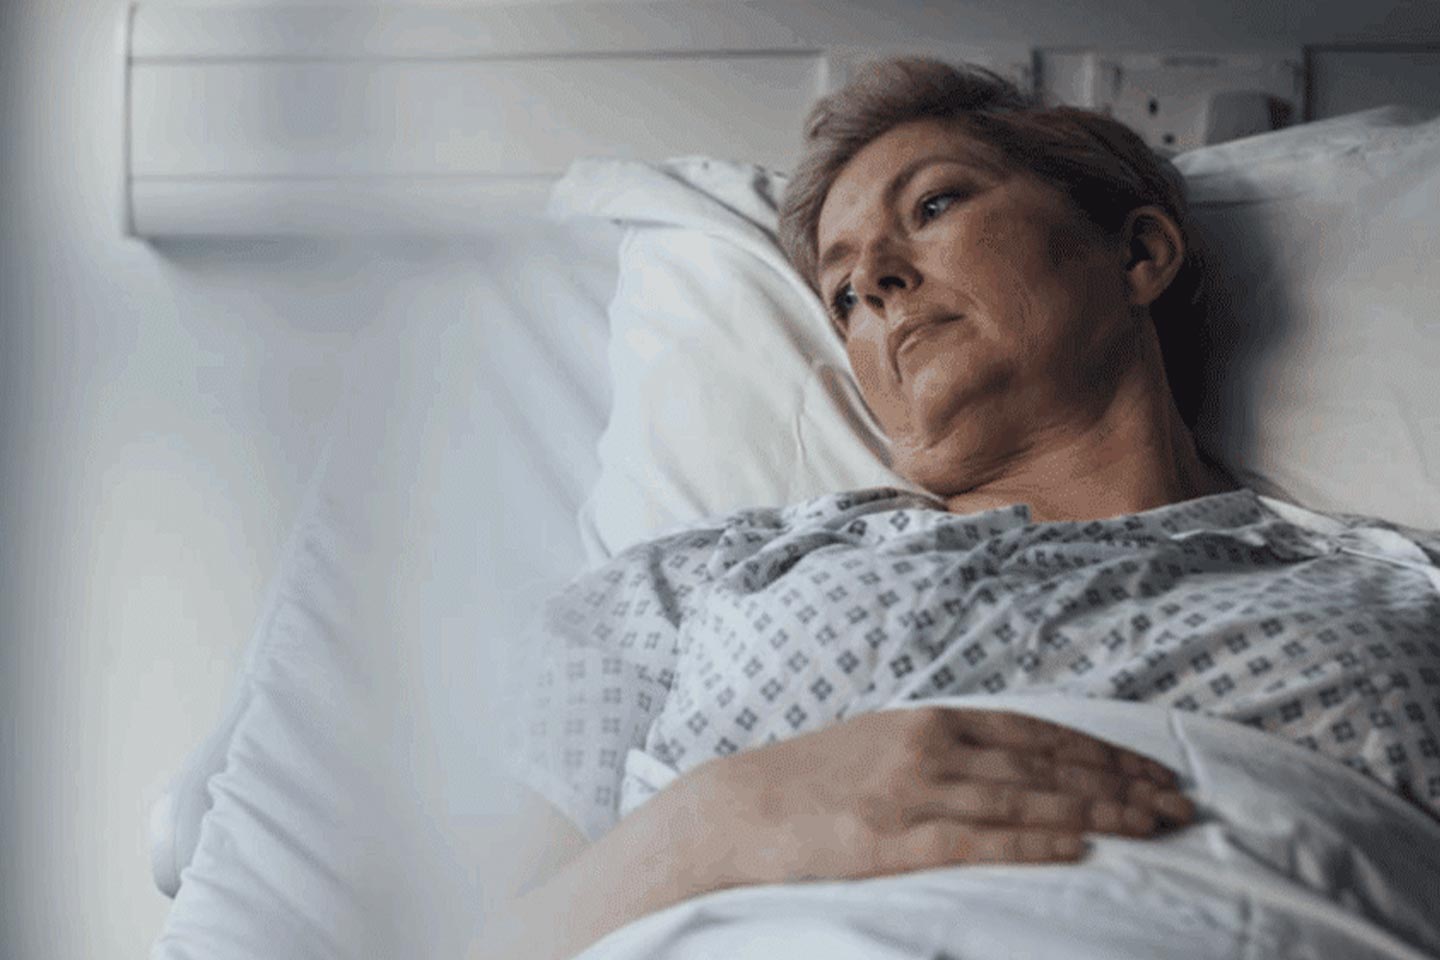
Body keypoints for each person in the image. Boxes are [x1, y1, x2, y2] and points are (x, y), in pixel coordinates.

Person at [472, 58, 1440, 960]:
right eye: (843, 294)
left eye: (933, 205)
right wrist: (717, 824)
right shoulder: (684, 587)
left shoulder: (1405, 595)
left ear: (1138, 252)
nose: (878, 286)